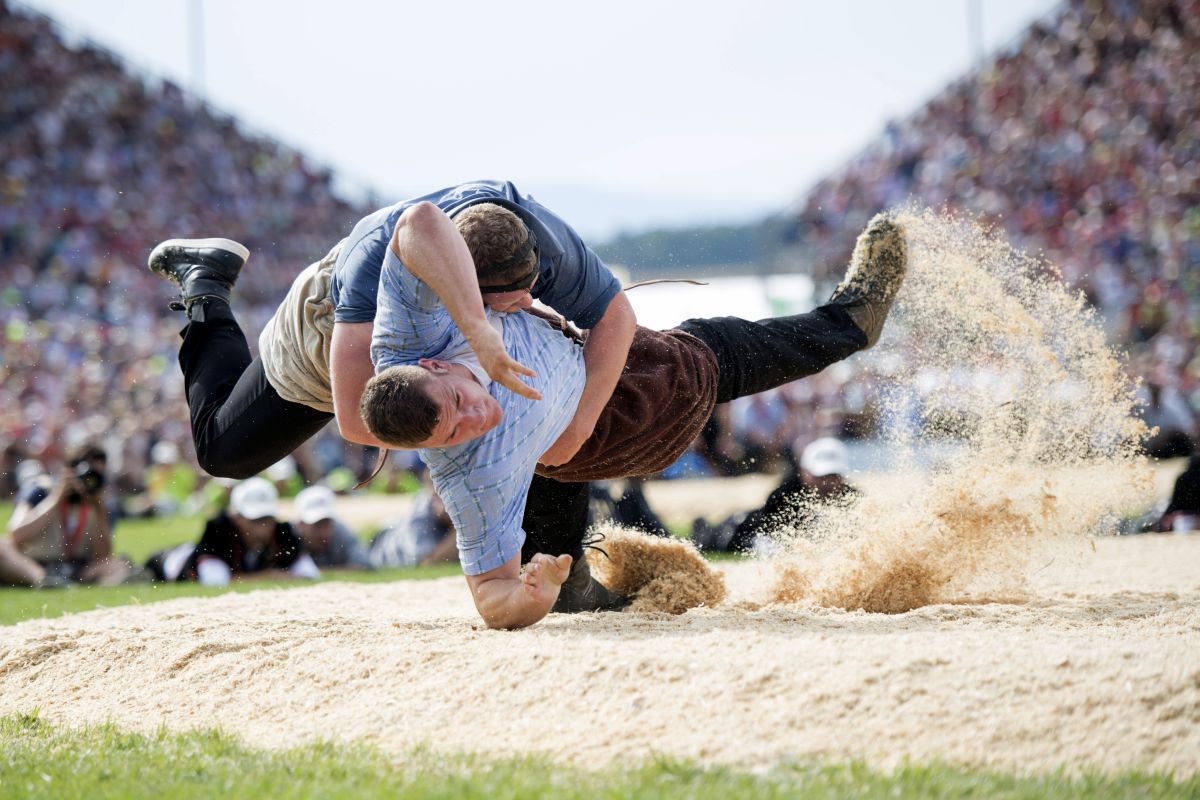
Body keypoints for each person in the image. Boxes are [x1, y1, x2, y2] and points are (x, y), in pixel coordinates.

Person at [359, 214, 907, 629]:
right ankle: (850, 324)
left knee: (548, 499)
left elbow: (420, 222)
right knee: (709, 351)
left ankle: (576, 590)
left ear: (429, 364)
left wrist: (479, 326)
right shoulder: (469, 472)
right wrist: (532, 593)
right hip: (619, 422)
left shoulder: (407, 337)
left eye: (459, 403)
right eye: (454, 434)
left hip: (562, 409)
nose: (476, 418)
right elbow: (491, 599)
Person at [147, 180, 635, 482]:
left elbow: (617, 317)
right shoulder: (370, 265)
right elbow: (357, 421)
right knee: (223, 453)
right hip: (325, 338)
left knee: (528, 419)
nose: (528, 301)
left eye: (532, 286)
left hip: (447, 343)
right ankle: (206, 284)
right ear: (466, 285)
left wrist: (576, 427)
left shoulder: (533, 239)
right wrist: (471, 430)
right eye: (508, 299)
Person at [691, 437, 858, 553]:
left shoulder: (854, 500)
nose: (827, 483)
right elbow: (766, 533)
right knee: (710, 540)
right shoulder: (785, 494)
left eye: (833, 476)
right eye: (820, 477)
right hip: (739, 529)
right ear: (804, 472)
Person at [0, 441, 129, 587]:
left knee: (117, 564)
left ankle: (71, 585)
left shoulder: (101, 504)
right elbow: (17, 533)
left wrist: (98, 507)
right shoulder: (41, 490)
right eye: (87, 474)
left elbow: (103, 554)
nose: (90, 481)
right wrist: (56, 498)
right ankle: (44, 581)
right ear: (69, 471)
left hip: (77, 567)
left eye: (96, 476)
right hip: (33, 562)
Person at [157, 477, 321, 586]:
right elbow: (215, 582)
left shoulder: (283, 532)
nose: (262, 527)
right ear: (237, 518)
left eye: (267, 519)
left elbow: (310, 575)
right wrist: (270, 576)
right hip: (169, 562)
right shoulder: (218, 531)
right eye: (255, 520)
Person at [369, 484, 459, 568]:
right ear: (435, 498)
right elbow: (426, 562)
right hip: (380, 550)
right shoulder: (421, 517)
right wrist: (459, 531)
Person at [292, 485, 372, 570]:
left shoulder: (341, 532)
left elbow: (365, 566)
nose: (324, 533)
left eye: (327, 523)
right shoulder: (289, 538)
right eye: (317, 525)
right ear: (301, 525)